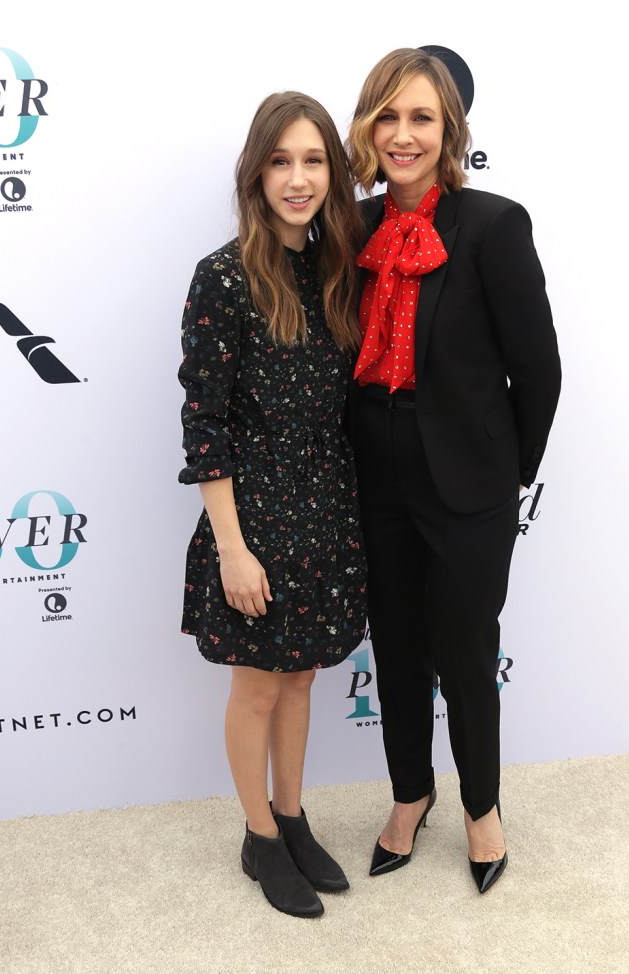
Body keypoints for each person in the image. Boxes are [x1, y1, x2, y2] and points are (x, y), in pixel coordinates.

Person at [345, 48, 561, 893]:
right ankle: (410, 795)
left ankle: (482, 809)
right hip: (375, 467)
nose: (403, 135)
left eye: (422, 118)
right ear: (369, 125)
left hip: (469, 480)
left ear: (450, 130)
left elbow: (537, 369)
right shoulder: (354, 228)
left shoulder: (494, 224)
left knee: (466, 650)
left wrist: (509, 473)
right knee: (395, 644)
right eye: (388, 116)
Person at [177, 91, 367, 918]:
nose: (298, 179)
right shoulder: (222, 277)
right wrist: (232, 547)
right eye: (281, 161)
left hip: (326, 511)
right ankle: (258, 838)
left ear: (334, 170)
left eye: (314, 160)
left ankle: (292, 817)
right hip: (252, 520)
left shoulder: (336, 271)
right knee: (257, 689)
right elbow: (204, 422)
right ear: (255, 173)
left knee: (302, 683)